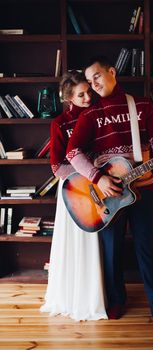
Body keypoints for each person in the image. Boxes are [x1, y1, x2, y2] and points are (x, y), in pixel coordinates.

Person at [66, 57, 153, 327]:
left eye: (96, 76)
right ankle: (116, 300)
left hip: (143, 188)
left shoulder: (141, 104)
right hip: (108, 194)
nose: (93, 84)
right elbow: (72, 152)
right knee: (112, 251)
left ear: (112, 72)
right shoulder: (90, 114)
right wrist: (98, 178)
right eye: (89, 80)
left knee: (148, 249)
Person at [40, 70, 107, 321]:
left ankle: (94, 297)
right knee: (74, 241)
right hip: (74, 188)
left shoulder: (99, 114)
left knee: (96, 244)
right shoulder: (59, 123)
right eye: (81, 95)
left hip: (101, 185)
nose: (88, 97)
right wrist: (87, 178)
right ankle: (70, 296)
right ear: (69, 98)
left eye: (89, 91)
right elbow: (57, 166)